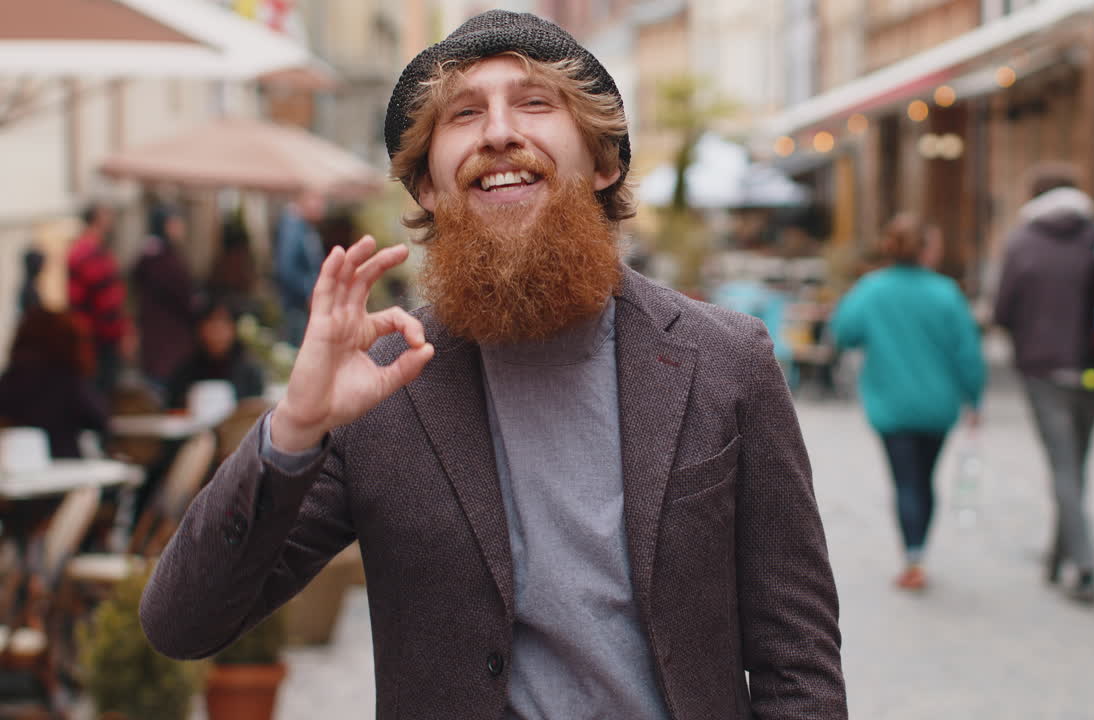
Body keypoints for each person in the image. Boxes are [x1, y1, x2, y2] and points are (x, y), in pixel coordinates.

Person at [140, 11, 845, 719]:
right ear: (428, 186)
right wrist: (295, 425)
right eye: (464, 113)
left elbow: (798, 664)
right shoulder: (380, 386)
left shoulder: (728, 360)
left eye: (535, 102)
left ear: (603, 162)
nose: (499, 132)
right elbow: (182, 624)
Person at [831, 213, 986, 591]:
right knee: (926, 479)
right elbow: (968, 352)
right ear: (927, 250)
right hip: (938, 406)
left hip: (891, 405)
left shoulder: (871, 289)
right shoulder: (946, 293)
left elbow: (843, 332)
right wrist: (975, 398)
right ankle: (918, 552)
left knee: (905, 481)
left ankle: (912, 556)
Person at [993, 163, 1094, 605]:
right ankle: (1057, 557)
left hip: (1044, 370)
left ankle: (1084, 565)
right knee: (1076, 465)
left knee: (1065, 467)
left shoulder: (1023, 242)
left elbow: (1003, 311)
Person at [0, 307, 109, 459]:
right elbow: (98, 420)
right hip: (63, 463)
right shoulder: (69, 380)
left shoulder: (11, 378)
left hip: (18, 463)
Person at [67, 202, 135, 395]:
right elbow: (106, 299)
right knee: (101, 391)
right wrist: (120, 332)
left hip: (95, 334)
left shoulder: (89, 249)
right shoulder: (89, 252)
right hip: (97, 337)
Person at [132, 206, 199, 391]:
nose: (180, 228)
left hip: (160, 338)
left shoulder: (154, 255)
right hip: (167, 341)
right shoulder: (161, 260)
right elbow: (181, 295)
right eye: (175, 223)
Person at [165, 295, 265, 410]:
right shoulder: (185, 371)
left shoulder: (249, 372)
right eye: (211, 323)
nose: (217, 331)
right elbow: (173, 408)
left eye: (223, 324)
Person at [274, 191, 326, 347]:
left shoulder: (304, 226)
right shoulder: (292, 228)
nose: (322, 207)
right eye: (317, 200)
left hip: (302, 305)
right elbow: (285, 268)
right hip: (296, 306)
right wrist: (308, 292)